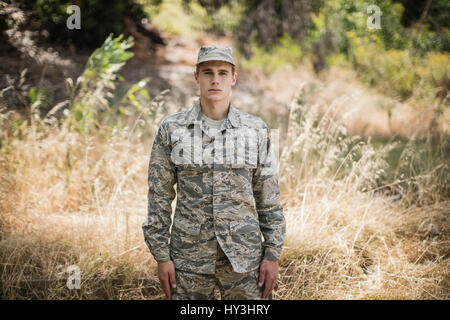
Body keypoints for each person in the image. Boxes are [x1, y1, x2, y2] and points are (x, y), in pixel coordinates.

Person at [142, 44, 286, 300]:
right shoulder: (173, 129)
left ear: (234, 77)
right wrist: (161, 256)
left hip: (245, 259)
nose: (215, 79)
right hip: (189, 261)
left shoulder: (255, 130)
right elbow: (159, 197)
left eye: (222, 72)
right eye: (208, 72)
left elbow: (268, 198)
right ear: (197, 77)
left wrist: (273, 254)